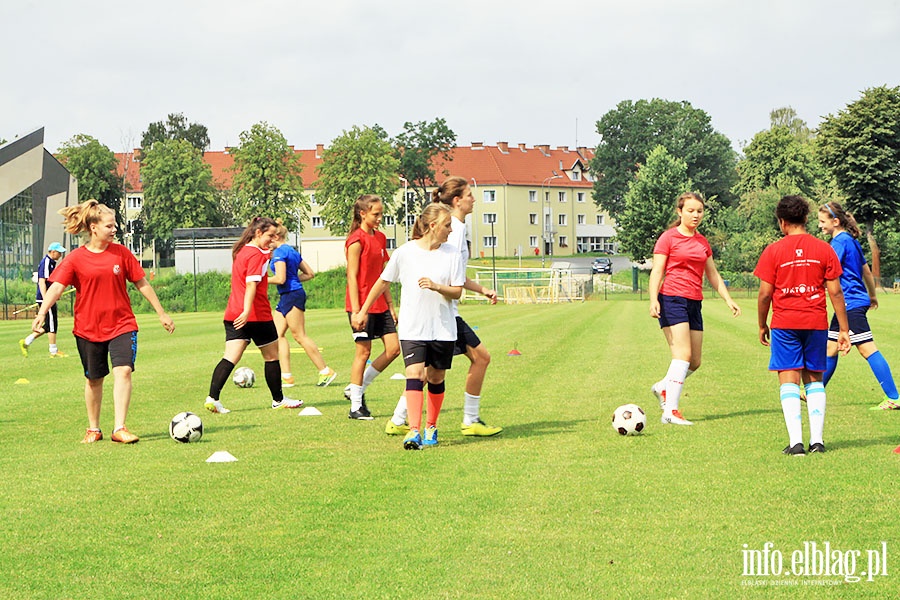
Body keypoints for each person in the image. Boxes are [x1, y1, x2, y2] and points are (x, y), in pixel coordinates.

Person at [30, 200, 175, 444]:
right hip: (88, 329)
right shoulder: (76, 259)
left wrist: (161, 313)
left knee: (124, 371)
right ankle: (93, 429)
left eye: (114, 224)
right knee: (94, 380)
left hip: (122, 325)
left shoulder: (122, 253)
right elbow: (56, 288)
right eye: (109, 225)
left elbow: (141, 283)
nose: (114, 228)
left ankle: (119, 427)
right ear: (94, 227)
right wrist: (42, 313)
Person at [385, 177, 502, 437]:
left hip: (445, 309)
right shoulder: (455, 229)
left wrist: (482, 289)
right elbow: (449, 276)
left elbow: (456, 275)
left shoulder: (457, 227)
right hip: (445, 314)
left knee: (426, 372)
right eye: (470, 194)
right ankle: (468, 419)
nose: (474, 199)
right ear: (457, 200)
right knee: (478, 358)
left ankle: (399, 419)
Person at [355, 203, 465, 449]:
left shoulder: (452, 254)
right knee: (414, 374)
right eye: (447, 226)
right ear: (433, 226)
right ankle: (413, 430)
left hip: (443, 328)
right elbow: (382, 282)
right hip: (412, 327)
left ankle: (431, 427)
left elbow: (457, 291)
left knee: (435, 378)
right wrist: (362, 310)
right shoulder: (405, 253)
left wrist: (437, 286)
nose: (450, 231)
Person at [755, 195, 851, 456]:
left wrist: (762, 324)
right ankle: (817, 441)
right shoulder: (824, 249)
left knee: (788, 378)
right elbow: (836, 292)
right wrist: (843, 329)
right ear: (807, 218)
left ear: (782, 222)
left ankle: (796, 443)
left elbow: (765, 294)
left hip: (785, 323)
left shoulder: (774, 251)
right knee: (814, 379)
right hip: (816, 322)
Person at [648, 192, 741, 425]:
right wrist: (653, 299)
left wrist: (728, 299)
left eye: (699, 211)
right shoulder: (668, 238)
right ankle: (671, 411)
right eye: (690, 210)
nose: (695, 215)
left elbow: (712, 274)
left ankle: (663, 387)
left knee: (695, 361)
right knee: (683, 355)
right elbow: (657, 271)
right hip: (672, 298)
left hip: (694, 301)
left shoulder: (702, 241)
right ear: (680, 212)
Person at [204, 217, 302, 414]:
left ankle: (212, 398)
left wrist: (270, 248)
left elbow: (263, 259)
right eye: (270, 235)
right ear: (258, 233)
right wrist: (248, 310)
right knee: (272, 357)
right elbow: (251, 284)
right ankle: (278, 400)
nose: (274, 239)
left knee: (230, 358)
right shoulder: (256, 255)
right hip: (256, 315)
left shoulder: (243, 251)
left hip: (233, 313)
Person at [816, 202, 900, 410]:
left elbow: (828, 271)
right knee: (830, 347)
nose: (819, 226)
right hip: (853, 301)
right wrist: (872, 296)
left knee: (867, 348)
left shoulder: (838, 243)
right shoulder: (852, 241)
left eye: (822, 221)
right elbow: (867, 272)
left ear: (835, 222)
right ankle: (814, 392)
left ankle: (894, 397)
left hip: (849, 302)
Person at [343, 195, 401, 420]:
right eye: (376, 214)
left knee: (393, 349)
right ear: (363, 214)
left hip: (380, 305)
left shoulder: (381, 238)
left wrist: (390, 306)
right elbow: (352, 276)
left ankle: (356, 387)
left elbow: (383, 276)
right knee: (364, 351)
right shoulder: (355, 240)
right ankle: (356, 406)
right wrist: (357, 311)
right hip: (360, 306)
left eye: (381, 214)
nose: (379, 218)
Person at [268, 223, 337, 388]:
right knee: (276, 335)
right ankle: (286, 377)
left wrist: (259, 280)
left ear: (276, 237)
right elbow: (309, 273)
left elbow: (280, 279)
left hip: (291, 295)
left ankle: (325, 371)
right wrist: (292, 280)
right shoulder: (292, 251)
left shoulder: (279, 252)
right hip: (289, 295)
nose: (267, 241)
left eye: (269, 237)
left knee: (299, 336)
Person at [20, 242, 69, 358]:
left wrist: (56, 293)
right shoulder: (46, 262)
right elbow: (42, 281)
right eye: (59, 252)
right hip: (45, 299)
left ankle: (27, 342)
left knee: (48, 325)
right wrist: (47, 297)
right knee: (52, 324)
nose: (61, 255)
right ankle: (53, 351)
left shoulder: (52, 263)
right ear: (53, 252)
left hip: (48, 297)